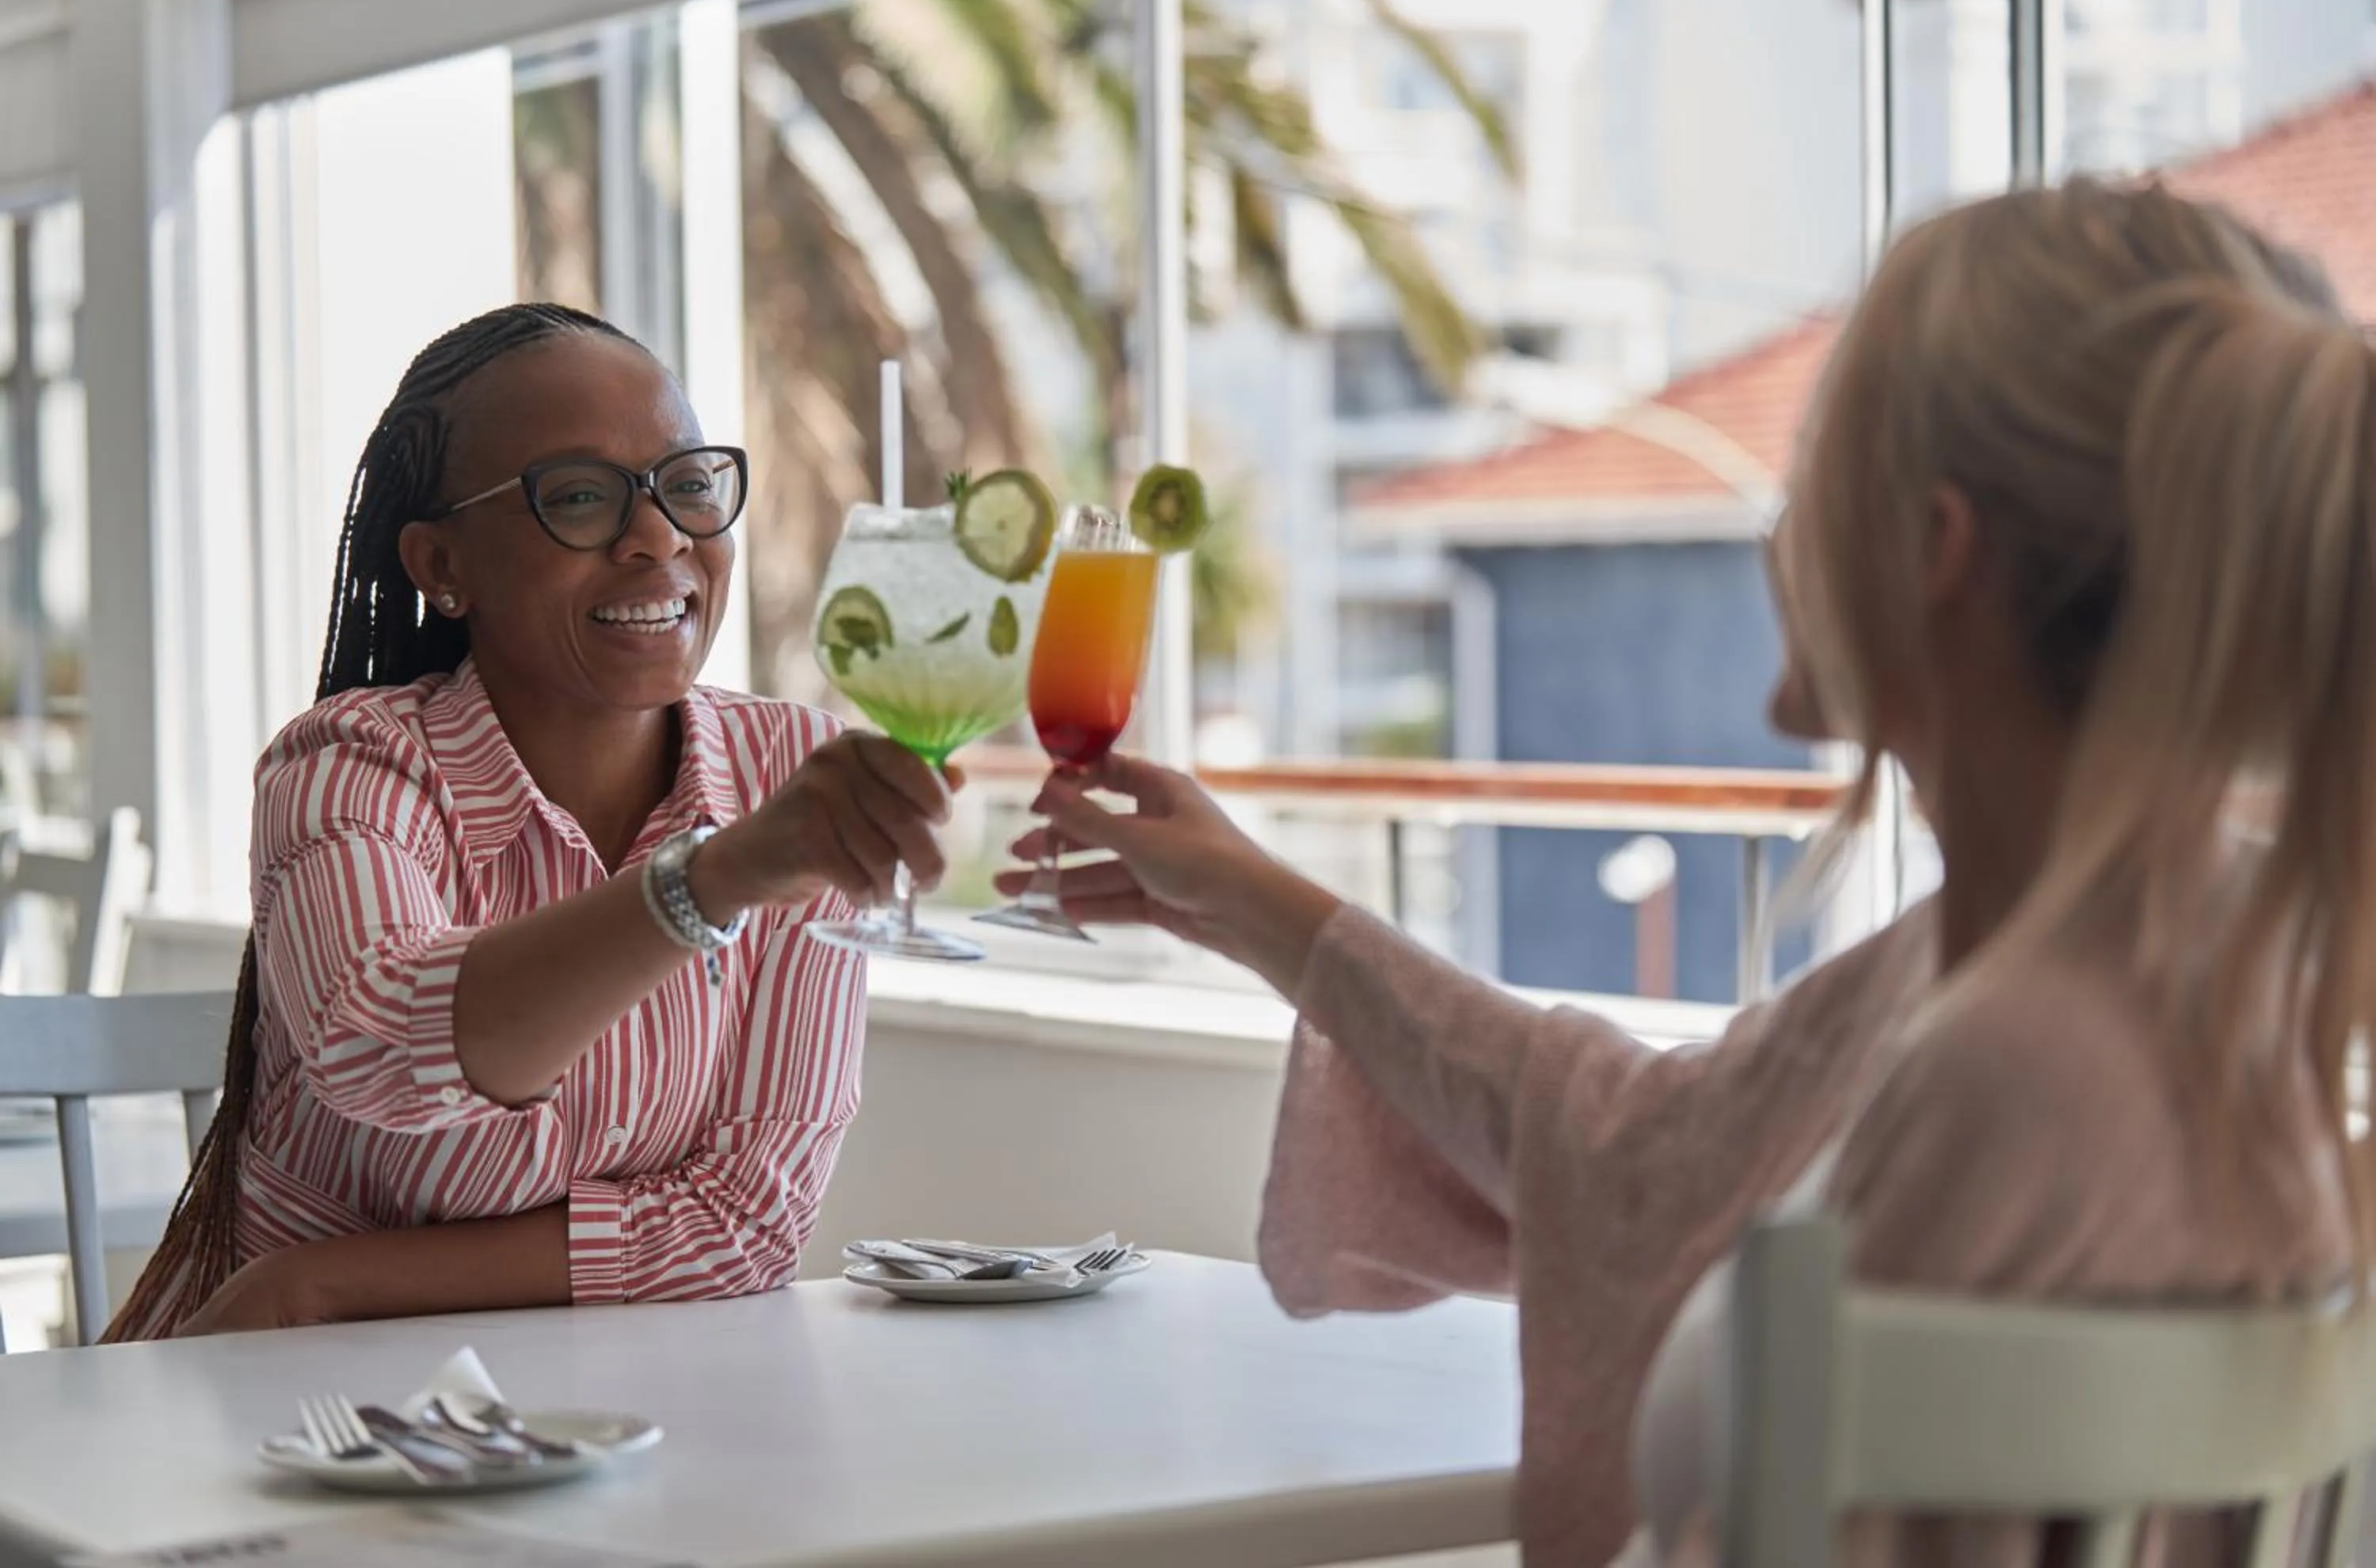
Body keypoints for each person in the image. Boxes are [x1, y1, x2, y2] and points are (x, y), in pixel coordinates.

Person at [998, 180, 2367, 1564]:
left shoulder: (2009, 1074)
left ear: (1931, 551)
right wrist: (1253, 901)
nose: (1777, 528)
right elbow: (1642, 1154)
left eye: (1818, 460)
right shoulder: (2210, 984)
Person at [108, 303, 954, 1341]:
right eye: (582, 498)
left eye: (688, 485)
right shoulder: (350, 765)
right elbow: (380, 1049)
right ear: (440, 566)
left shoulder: (783, 774)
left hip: (590, 1425)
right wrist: (707, 885)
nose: (659, 539)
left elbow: (746, 1224)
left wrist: (328, 1284)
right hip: (282, 1415)